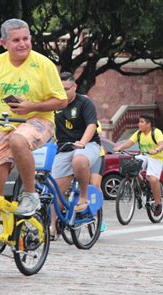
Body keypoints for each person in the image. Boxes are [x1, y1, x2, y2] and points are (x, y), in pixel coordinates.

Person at [0, 19, 67, 244]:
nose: (22, 44)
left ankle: (30, 195)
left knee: (19, 140)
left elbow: (61, 101)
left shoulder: (43, 64)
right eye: (16, 40)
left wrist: (32, 106)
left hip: (40, 122)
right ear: (3, 43)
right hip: (8, 126)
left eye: (26, 39)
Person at [49, 72, 101, 237]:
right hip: (64, 148)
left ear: (75, 87)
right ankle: (52, 227)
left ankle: (84, 196)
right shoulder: (54, 104)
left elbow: (91, 125)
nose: (63, 93)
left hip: (88, 145)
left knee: (79, 160)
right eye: (60, 89)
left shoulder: (84, 102)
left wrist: (83, 142)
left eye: (66, 89)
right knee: (54, 189)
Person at [114, 114, 163, 216]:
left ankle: (158, 203)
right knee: (132, 166)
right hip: (144, 156)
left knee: (153, 179)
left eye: (142, 122)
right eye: (139, 121)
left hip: (157, 158)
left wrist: (156, 150)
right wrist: (119, 147)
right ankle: (141, 184)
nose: (139, 124)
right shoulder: (139, 133)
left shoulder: (156, 132)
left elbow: (162, 144)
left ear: (148, 124)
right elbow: (129, 142)